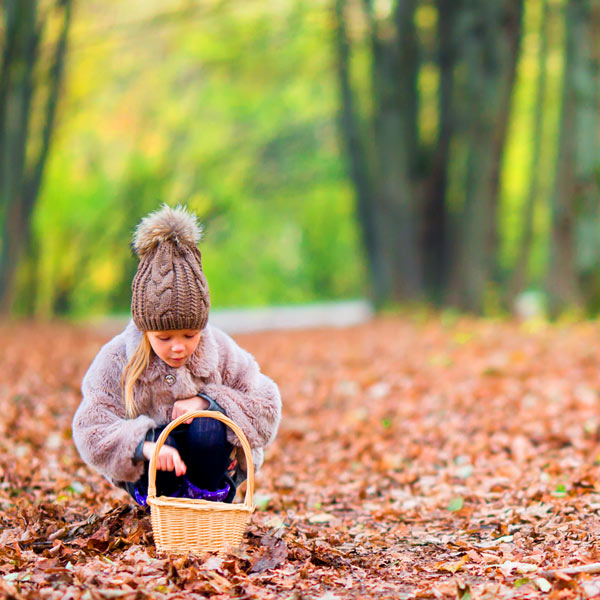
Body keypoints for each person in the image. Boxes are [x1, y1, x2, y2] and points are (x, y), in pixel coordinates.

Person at [72, 204, 282, 506]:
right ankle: (163, 502)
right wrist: (145, 445)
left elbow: (267, 405)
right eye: (164, 338)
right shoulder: (118, 357)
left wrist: (208, 402)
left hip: (212, 469)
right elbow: (90, 428)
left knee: (205, 426)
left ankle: (206, 502)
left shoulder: (219, 349)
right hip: (152, 474)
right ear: (145, 330)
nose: (178, 347)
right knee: (162, 439)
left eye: (190, 335)